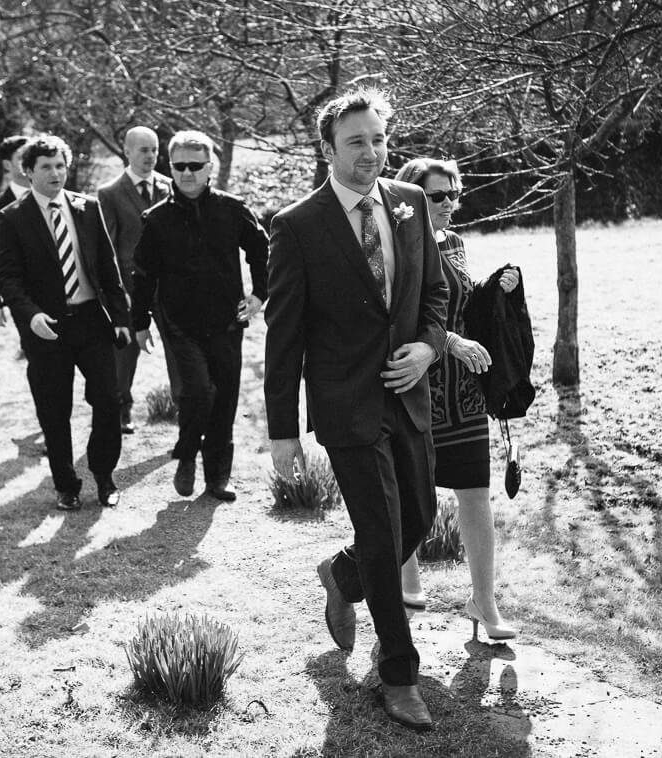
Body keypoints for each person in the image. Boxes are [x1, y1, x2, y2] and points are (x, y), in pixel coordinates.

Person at [264, 88, 448, 732]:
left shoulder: (412, 202)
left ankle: (343, 576)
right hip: (346, 405)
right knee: (381, 529)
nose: (371, 153)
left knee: (419, 516)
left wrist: (427, 349)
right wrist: (282, 433)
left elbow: (434, 294)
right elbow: (282, 336)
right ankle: (399, 675)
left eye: (378, 139)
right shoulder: (296, 225)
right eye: (355, 142)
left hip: (409, 394)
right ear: (327, 149)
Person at [393, 158, 520, 640]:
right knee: (410, 491)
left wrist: (496, 288)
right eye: (434, 196)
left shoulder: (456, 242)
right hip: (416, 389)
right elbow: (404, 315)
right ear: (412, 198)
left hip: (464, 396)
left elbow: (464, 305)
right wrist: (450, 343)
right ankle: (406, 580)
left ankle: (483, 602)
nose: (446, 204)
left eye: (452, 195)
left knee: (475, 497)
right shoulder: (400, 246)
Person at [0, 135, 131, 511]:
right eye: (46, 167)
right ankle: (66, 485)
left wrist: (120, 317)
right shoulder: (12, 218)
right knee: (54, 410)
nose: (55, 173)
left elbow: (108, 267)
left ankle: (104, 476)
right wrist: (31, 315)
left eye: (60, 166)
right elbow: (8, 278)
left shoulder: (88, 208)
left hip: (91, 321)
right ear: (29, 172)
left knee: (108, 398)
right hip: (47, 328)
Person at [131, 130, 268, 502]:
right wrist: (140, 322)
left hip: (227, 321)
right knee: (196, 392)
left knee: (224, 400)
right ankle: (186, 455)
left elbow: (261, 248)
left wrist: (259, 295)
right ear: (170, 168)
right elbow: (142, 274)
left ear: (211, 167)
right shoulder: (156, 219)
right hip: (179, 324)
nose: (187, 173)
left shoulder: (232, 207)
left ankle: (217, 478)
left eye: (195, 166)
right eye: (179, 166)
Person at [96, 126, 175, 434]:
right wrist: (116, 294)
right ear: (127, 152)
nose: (150, 156)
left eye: (154, 150)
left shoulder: (170, 187)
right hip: (129, 289)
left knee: (177, 350)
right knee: (124, 353)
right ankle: (121, 411)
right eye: (143, 150)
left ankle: (185, 411)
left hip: (167, 288)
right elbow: (108, 249)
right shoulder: (110, 193)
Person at [0, 135, 32, 327]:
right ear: (7, 165)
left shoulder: (55, 197)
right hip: (22, 294)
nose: (28, 161)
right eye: (21, 157)